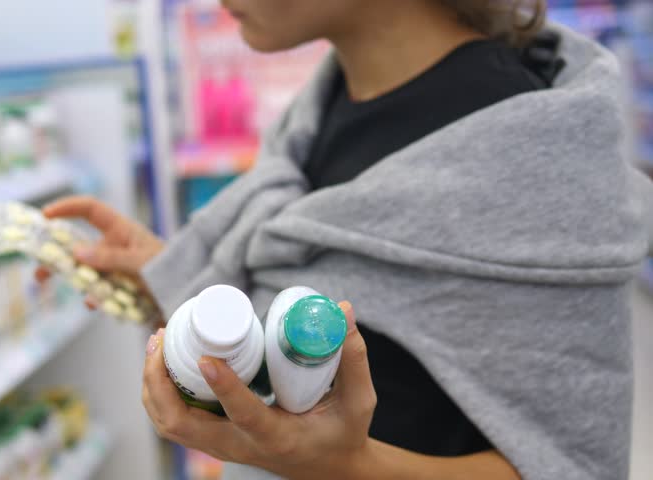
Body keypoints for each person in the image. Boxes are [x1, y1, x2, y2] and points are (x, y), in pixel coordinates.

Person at [41, 0, 652, 478]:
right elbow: (306, 321)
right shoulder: (321, 105)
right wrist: (176, 283)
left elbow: (574, 463)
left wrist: (347, 468)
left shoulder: (529, 151)